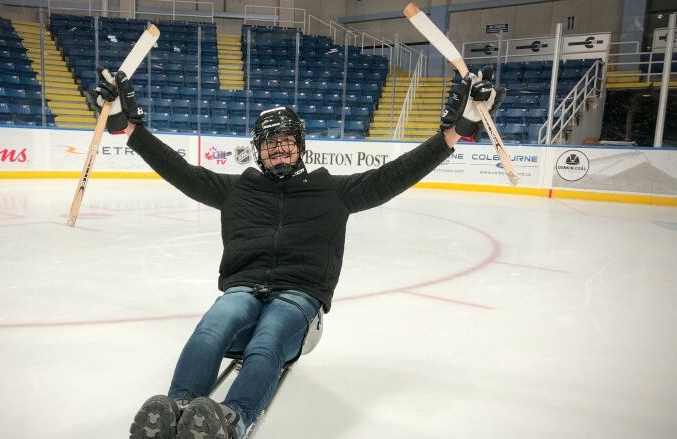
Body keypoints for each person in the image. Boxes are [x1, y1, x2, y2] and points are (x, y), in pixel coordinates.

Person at [91, 66, 504, 439]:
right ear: (258, 150)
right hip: (243, 288)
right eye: (270, 145)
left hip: (299, 297)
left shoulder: (333, 192)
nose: (279, 151)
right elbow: (178, 170)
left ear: (301, 146)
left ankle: (234, 419)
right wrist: (127, 128)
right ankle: (178, 407)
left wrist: (455, 133)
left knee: (267, 340)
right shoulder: (237, 190)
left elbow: (394, 175)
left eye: (286, 143)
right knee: (213, 327)